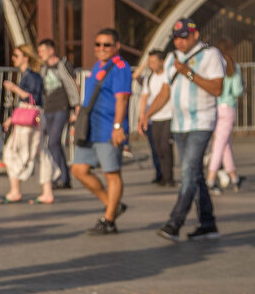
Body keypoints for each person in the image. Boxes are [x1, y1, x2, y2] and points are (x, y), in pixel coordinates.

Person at [145, 18, 224, 242]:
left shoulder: (211, 55)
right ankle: (208, 224)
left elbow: (217, 88)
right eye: (177, 38)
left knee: (188, 173)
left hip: (201, 122)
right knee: (195, 174)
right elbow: (165, 92)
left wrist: (188, 73)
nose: (180, 42)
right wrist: (147, 114)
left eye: (184, 37)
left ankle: (174, 222)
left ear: (195, 35)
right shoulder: (171, 59)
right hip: (179, 124)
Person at [71, 28, 132, 235]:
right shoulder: (99, 64)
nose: (101, 48)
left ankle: (109, 219)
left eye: (106, 45)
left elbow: (122, 98)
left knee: (111, 173)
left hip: (108, 128)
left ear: (117, 46)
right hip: (90, 127)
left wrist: (118, 127)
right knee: (78, 170)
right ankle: (112, 206)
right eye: (97, 44)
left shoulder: (120, 67)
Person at [0, 45, 57, 205]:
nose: (13, 59)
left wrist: (14, 89)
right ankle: (46, 191)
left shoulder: (32, 76)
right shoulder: (29, 75)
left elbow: (33, 99)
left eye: (16, 55)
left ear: (26, 57)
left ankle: (15, 190)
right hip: (32, 117)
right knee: (38, 152)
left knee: (14, 151)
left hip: (30, 118)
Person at [36, 38, 79, 189]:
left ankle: (64, 177)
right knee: (49, 144)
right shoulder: (44, 69)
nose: (40, 54)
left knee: (54, 141)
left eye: (42, 51)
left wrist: (76, 106)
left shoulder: (63, 65)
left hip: (61, 108)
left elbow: (72, 85)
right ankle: (60, 176)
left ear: (51, 50)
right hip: (47, 109)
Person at [207, 37, 244, 194]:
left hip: (215, 108)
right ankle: (211, 178)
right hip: (228, 108)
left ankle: (233, 176)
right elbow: (237, 91)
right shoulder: (233, 67)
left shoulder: (214, 67)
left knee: (224, 143)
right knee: (220, 145)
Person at [138, 49, 176, 186]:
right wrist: (142, 117)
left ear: (162, 62)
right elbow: (144, 98)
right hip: (154, 118)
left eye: (154, 62)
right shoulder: (149, 78)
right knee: (157, 148)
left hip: (168, 116)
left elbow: (164, 95)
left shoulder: (168, 74)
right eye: (149, 62)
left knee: (166, 147)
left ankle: (169, 177)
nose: (151, 65)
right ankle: (161, 175)